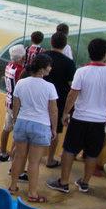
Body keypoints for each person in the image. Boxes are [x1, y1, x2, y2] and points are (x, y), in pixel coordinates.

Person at [51, 37, 106, 194]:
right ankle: (85, 183)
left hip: (80, 118)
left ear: (90, 52)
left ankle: (64, 182)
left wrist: (65, 113)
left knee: (69, 150)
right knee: (92, 153)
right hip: (99, 121)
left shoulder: (82, 71)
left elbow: (72, 95)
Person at [9, 54, 57, 203]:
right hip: (41, 125)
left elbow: (16, 105)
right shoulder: (49, 87)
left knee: (19, 157)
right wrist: (54, 128)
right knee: (34, 162)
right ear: (42, 69)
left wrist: (16, 120)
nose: (50, 68)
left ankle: (13, 186)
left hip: (22, 122)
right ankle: (32, 193)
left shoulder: (21, 83)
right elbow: (53, 110)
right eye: (49, 66)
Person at [43, 31, 77, 168]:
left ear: (51, 42)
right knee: (55, 130)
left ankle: (30, 158)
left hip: (41, 98)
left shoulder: (42, 57)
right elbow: (72, 85)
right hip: (59, 101)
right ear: (65, 45)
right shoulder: (69, 63)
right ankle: (50, 159)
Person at [0, 45, 25, 161]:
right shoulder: (21, 70)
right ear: (22, 58)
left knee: (6, 128)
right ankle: (12, 158)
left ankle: (3, 154)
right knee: (17, 132)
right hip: (17, 105)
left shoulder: (9, 66)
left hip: (8, 101)